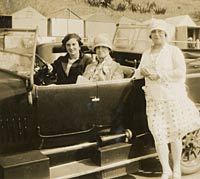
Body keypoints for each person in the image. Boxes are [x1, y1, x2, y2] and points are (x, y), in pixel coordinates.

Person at [133, 19, 200, 179]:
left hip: (171, 98)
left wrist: (160, 75)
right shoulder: (146, 53)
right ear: (150, 35)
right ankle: (166, 170)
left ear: (165, 34)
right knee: (159, 135)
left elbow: (180, 72)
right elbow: (139, 73)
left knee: (175, 135)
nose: (156, 35)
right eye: (153, 32)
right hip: (154, 100)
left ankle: (176, 169)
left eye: (159, 32)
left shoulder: (173, 51)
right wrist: (141, 71)